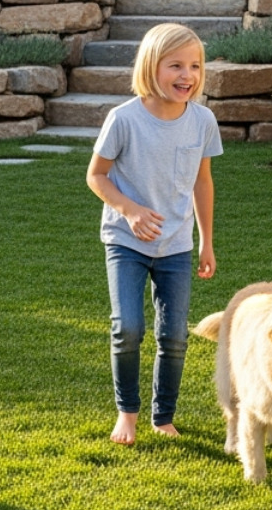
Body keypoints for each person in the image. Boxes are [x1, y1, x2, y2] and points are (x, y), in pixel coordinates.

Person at [86, 22, 221, 447]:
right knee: (127, 326)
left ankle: (163, 417)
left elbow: (203, 182)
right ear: (151, 67)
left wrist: (206, 240)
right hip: (125, 242)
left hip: (177, 246)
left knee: (175, 334)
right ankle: (127, 413)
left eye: (195, 66)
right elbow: (96, 176)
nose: (187, 76)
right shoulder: (123, 119)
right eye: (175, 66)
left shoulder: (202, 120)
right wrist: (129, 210)